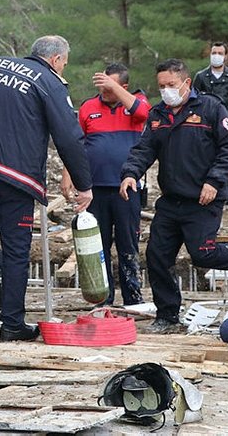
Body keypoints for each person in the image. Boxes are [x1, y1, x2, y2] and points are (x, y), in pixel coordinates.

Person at [0, 35, 93, 342]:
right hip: (15, 177)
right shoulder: (49, 82)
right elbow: (69, 137)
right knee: (15, 251)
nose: (63, 68)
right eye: (64, 63)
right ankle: (12, 323)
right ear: (55, 60)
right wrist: (84, 184)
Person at [120, 59, 228, 334]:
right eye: (161, 86)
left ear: (186, 83)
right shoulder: (157, 116)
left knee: (203, 254)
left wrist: (214, 181)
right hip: (171, 200)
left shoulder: (210, 109)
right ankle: (167, 316)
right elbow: (143, 150)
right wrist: (130, 173)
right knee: (157, 256)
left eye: (171, 85)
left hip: (204, 199)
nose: (166, 90)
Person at [61, 63, 148, 306]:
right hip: (94, 189)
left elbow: (145, 114)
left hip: (126, 188)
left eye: (110, 87)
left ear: (124, 87)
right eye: (102, 87)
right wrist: (68, 175)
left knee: (127, 243)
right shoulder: (89, 107)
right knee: (98, 244)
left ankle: (133, 299)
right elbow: (75, 145)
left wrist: (116, 90)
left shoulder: (136, 103)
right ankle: (103, 298)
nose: (104, 92)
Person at [192, 42, 228, 206]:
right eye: (214, 52)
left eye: (220, 53)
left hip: (226, 121)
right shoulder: (201, 76)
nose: (216, 55)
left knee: (227, 156)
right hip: (205, 123)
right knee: (205, 156)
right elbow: (193, 98)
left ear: (225, 56)